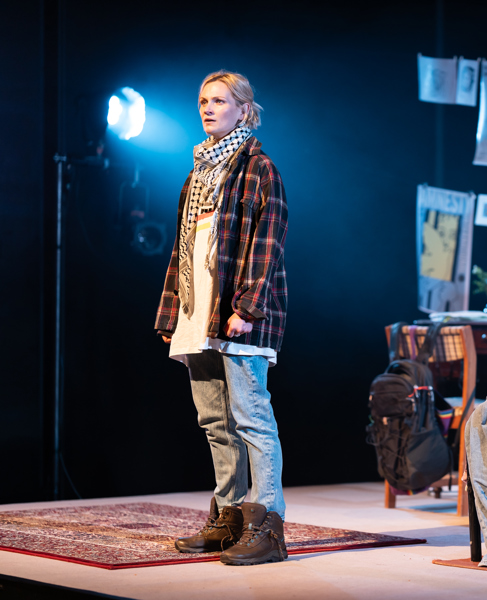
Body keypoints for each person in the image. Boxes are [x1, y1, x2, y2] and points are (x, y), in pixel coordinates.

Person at [154, 70, 289, 566]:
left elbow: (267, 242)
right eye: (203, 101)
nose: (208, 108)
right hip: (198, 312)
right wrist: (175, 312)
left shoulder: (258, 168)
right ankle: (228, 519)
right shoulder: (197, 173)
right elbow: (185, 249)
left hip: (236, 314)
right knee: (215, 421)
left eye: (220, 101)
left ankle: (267, 526)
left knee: (252, 417)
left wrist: (247, 308)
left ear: (244, 110)